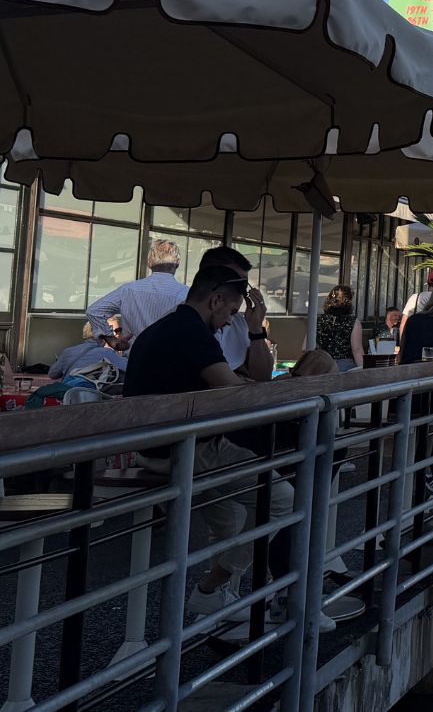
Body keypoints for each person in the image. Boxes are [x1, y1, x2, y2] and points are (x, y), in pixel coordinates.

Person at [123, 265, 300, 625]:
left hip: (151, 447)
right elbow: (236, 392)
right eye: (230, 312)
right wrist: (256, 337)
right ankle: (211, 588)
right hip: (188, 449)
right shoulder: (193, 334)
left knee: (230, 520)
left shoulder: (163, 328)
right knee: (281, 499)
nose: (226, 322)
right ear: (216, 299)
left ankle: (223, 603)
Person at [87, 239, 186, 345]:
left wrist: (111, 339)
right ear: (177, 263)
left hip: (133, 358)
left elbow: (94, 311)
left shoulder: (128, 290)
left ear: (149, 262)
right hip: (173, 358)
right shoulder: (186, 294)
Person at [197, 247, 274, 378]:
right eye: (236, 284)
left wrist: (256, 329)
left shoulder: (239, 322)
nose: (242, 293)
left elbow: (263, 376)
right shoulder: (185, 324)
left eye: (244, 286)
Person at [311, 285, 364, 371]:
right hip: (345, 366)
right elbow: (357, 350)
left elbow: (305, 346)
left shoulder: (318, 320)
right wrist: (363, 370)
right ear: (349, 301)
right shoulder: (353, 322)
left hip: (322, 365)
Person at [51, 321, 127, 380]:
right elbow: (131, 369)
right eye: (112, 331)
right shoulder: (108, 353)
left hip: (69, 395)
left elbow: (52, 374)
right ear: (103, 335)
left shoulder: (68, 352)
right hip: (92, 396)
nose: (116, 335)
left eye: (118, 331)